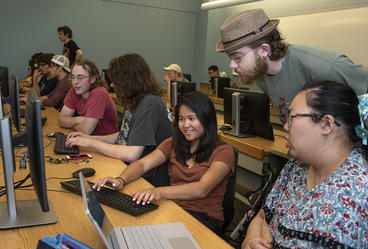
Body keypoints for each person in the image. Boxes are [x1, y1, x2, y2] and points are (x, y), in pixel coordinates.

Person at [242, 81, 368, 249]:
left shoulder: (354, 195)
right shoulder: (297, 166)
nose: (286, 126)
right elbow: (263, 217)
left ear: (326, 124)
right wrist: (251, 241)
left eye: (292, 117)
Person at [93, 91, 235, 235]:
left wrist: (159, 192)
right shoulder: (173, 144)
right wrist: (121, 180)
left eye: (192, 118)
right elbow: (142, 164)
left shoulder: (224, 152)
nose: (186, 125)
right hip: (172, 209)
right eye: (181, 119)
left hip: (204, 219)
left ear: (207, 119)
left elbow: (202, 189)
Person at [216, 8, 368, 123]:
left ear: (264, 50)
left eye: (237, 57)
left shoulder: (325, 66)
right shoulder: (262, 76)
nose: (232, 65)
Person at [65, 53, 172, 168]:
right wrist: (88, 138)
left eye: (115, 81)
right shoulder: (135, 100)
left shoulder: (148, 104)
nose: (111, 85)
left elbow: (132, 154)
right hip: (130, 166)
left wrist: (91, 143)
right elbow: (123, 135)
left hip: (148, 176)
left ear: (129, 81)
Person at [58, 59, 118, 135]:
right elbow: (61, 120)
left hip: (104, 142)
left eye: (80, 77)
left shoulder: (99, 94)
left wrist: (72, 124)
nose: (75, 82)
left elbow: (86, 130)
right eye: (73, 77)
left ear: (92, 79)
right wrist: (78, 120)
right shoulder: (74, 90)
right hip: (88, 140)